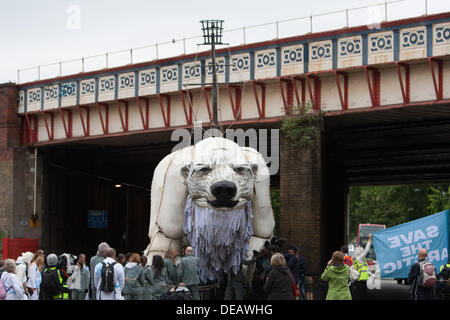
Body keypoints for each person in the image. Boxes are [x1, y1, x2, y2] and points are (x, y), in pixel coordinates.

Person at [350, 234, 372, 300]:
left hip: (359, 282)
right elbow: (366, 251)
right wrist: (370, 240)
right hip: (360, 283)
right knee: (361, 297)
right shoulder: (359, 259)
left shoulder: (357, 261)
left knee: (359, 297)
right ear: (360, 253)